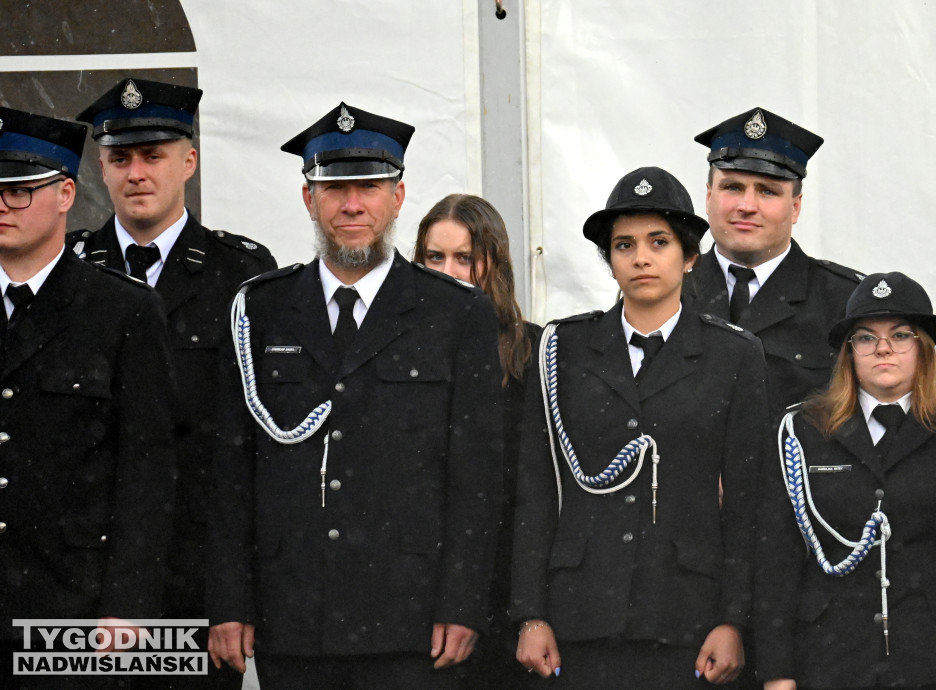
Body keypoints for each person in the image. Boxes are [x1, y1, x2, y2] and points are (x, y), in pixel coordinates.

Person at [205, 102, 504, 689]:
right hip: (291, 610)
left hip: (410, 615)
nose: (352, 205)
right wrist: (229, 601)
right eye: (334, 188)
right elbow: (231, 472)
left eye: (369, 187)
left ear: (397, 197)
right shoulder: (261, 309)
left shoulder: (455, 311)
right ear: (308, 198)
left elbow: (476, 474)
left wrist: (463, 603)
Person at [511, 167, 771, 688]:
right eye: (623, 245)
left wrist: (733, 620)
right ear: (609, 261)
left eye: (659, 242)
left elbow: (750, 503)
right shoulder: (563, 349)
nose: (641, 258)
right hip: (580, 615)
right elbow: (536, 490)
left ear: (691, 256)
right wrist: (530, 613)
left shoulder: (733, 355)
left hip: (686, 615)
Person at [66, 77, 276, 690]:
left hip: (198, 577)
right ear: (100, 169)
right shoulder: (68, 274)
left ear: (189, 161)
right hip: (87, 579)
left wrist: (234, 596)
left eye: (153, 155)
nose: (137, 173)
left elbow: (254, 443)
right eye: (120, 158)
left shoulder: (243, 274)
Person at [755, 272, 936, 690]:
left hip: (935, 659)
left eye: (900, 335)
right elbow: (776, 565)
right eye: (865, 337)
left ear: (923, 348)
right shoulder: (801, 434)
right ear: (848, 352)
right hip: (827, 660)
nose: (883, 349)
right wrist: (777, 675)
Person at [0, 107, 177, 686]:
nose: (4, 204)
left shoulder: (120, 309)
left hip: (70, 605)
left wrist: (128, 604)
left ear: (66, 193)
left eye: (21, 190)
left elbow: (147, 468)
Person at [414, 194, 539, 687]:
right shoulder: (396, 352)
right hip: (418, 586)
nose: (450, 272)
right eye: (435, 257)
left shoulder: (535, 352)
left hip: (508, 585)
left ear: (495, 263)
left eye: (466, 258)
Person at [686, 107, 864, 415]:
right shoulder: (667, 290)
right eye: (732, 187)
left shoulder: (846, 301)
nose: (747, 206)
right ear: (708, 197)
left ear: (795, 208)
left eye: (767, 191)